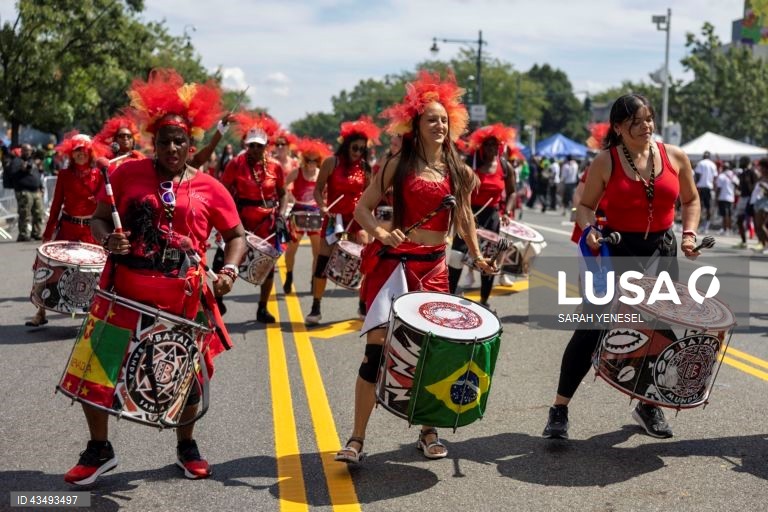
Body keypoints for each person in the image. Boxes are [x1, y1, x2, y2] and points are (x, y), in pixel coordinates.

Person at [63, 68, 246, 485]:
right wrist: (109, 240)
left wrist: (229, 269)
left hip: (184, 302)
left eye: (179, 140)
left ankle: (186, 446)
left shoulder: (210, 187)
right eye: (164, 140)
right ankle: (99, 450)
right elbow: (97, 219)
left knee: (188, 377)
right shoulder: (125, 175)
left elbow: (235, 235)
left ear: (191, 143)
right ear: (154, 142)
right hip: (122, 294)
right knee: (97, 371)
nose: (171, 147)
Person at [333, 71, 494, 464]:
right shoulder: (397, 164)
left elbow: (467, 219)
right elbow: (362, 208)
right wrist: (380, 232)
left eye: (444, 120)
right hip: (393, 269)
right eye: (431, 120)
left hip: (434, 270)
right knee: (375, 353)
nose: (439, 125)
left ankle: (428, 431)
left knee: (432, 352)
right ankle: (356, 439)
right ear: (416, 126)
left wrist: (475, 254)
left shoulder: (457, 169)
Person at [542, 93, 700, 441]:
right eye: (637, 122)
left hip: (661, 251)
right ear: (618, 127)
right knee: (592, 327)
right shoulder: (606, 161)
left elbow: (690, 199)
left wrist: (689, 235)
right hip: (616, 251)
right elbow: (585, 207)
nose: (646, 126)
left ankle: (647, 404)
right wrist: (591, 230)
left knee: (656, 328)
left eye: (649, 119)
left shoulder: (675, 156)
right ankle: (559, 409)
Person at [26, 133, 109, 327]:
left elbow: (108, 201)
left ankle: (95, 315)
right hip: (68, 229)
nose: (80, 154)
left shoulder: (101, 174)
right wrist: (48, 234)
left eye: (83, 150)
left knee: (97, 272)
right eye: (76, 151)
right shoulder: (64, 175)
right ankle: (41, 311)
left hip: (91, 230)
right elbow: (56, 205)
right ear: (71, 154)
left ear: (90, 152)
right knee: (46, 266)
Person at [304, 115, 380, 325]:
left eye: (362, 149)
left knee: (363, 264)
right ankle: (316, 307)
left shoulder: (365, 168)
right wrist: (322, 206)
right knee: (322, 263)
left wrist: (370, 223)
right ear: (347, 146)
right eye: (355, 148)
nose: (358, 153)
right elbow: (318, 190)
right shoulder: (331, 162)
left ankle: (363, 305)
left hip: (357, 219)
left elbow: (369, 197)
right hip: (333, 219)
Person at [218, 111, 287, 323]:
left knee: (267, 265)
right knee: (223, 258)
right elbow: (222, 190)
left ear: (266, 146)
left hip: (267, 221)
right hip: (241, 219)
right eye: (252, 145)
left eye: (260, 145)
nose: (255, 149)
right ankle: (217, 300)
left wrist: (282, 215)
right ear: (246, 145)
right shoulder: (235, 164)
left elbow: (283, 193)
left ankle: (262, 308)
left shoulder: (276, 166)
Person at [448, 123, 516, 308]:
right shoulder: (470, 164)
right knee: (456, 255)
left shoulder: (505, 166)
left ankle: (484, 301)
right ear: (481, 146)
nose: (492, 149)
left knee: (489, 258)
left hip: (491, 217)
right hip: (469, 213)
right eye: (488, 145)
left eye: (495, 145)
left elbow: (512, 192)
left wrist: (507, 211)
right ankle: (448, 295)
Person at [283, 137, 332, 294]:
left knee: (317, 251)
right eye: (308, 159)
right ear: (304, 159)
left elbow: (328, 191)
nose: (311, 162)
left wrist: (324, 203)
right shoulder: (297, 172)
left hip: (315, 214)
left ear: (319, 160)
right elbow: (282, 185)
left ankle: (313, 279)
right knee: (291, 249)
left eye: (315, 159)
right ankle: (289, 275)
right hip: (297, 211)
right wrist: (288, 196)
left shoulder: (321, 174)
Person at [9, 143, 44, 242]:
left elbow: (37, 175)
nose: (28, 152)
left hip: (36, 191)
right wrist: (23, 168)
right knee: (25, 214)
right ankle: (24, 234)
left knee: (39, 214)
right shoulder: (17, 161)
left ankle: (36, 233)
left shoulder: (32, 161)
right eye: (26, 150)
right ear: (22, 151)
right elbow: (13, 173)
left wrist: (41, 187)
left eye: (29, 150)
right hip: (24, 191)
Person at [734, 156, 758, 249]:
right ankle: (744, 242)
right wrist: (738, 188)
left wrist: (749, 184)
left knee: (755, 220)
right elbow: (740, 186)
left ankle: (761, 242)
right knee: (739, 220)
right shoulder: (742, 173)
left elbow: (756, 186)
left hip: (750, 198)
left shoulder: (752, 172)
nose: (741, 163)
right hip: (742, 197)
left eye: (742, 161)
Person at [694, 151, 717, 233]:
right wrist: (714, 188)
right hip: (709, 188)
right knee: (708, 207)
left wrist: (695, 184)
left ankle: (697, 225)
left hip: (700, 187)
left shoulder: (700, 163)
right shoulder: (713, 164)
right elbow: (714, 178)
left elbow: (698, 175)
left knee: (698, 206)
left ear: (703, 156)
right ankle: (706, 226)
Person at [715, 163, 738, 235]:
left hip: (723, 197)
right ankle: (729, 229)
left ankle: (725, 230)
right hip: (731, 197)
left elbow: (719, 188)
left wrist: (716, 197)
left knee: (724, 214)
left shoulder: (721, 176)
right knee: (729, 214)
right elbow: (737, 184)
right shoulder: (733, 175)